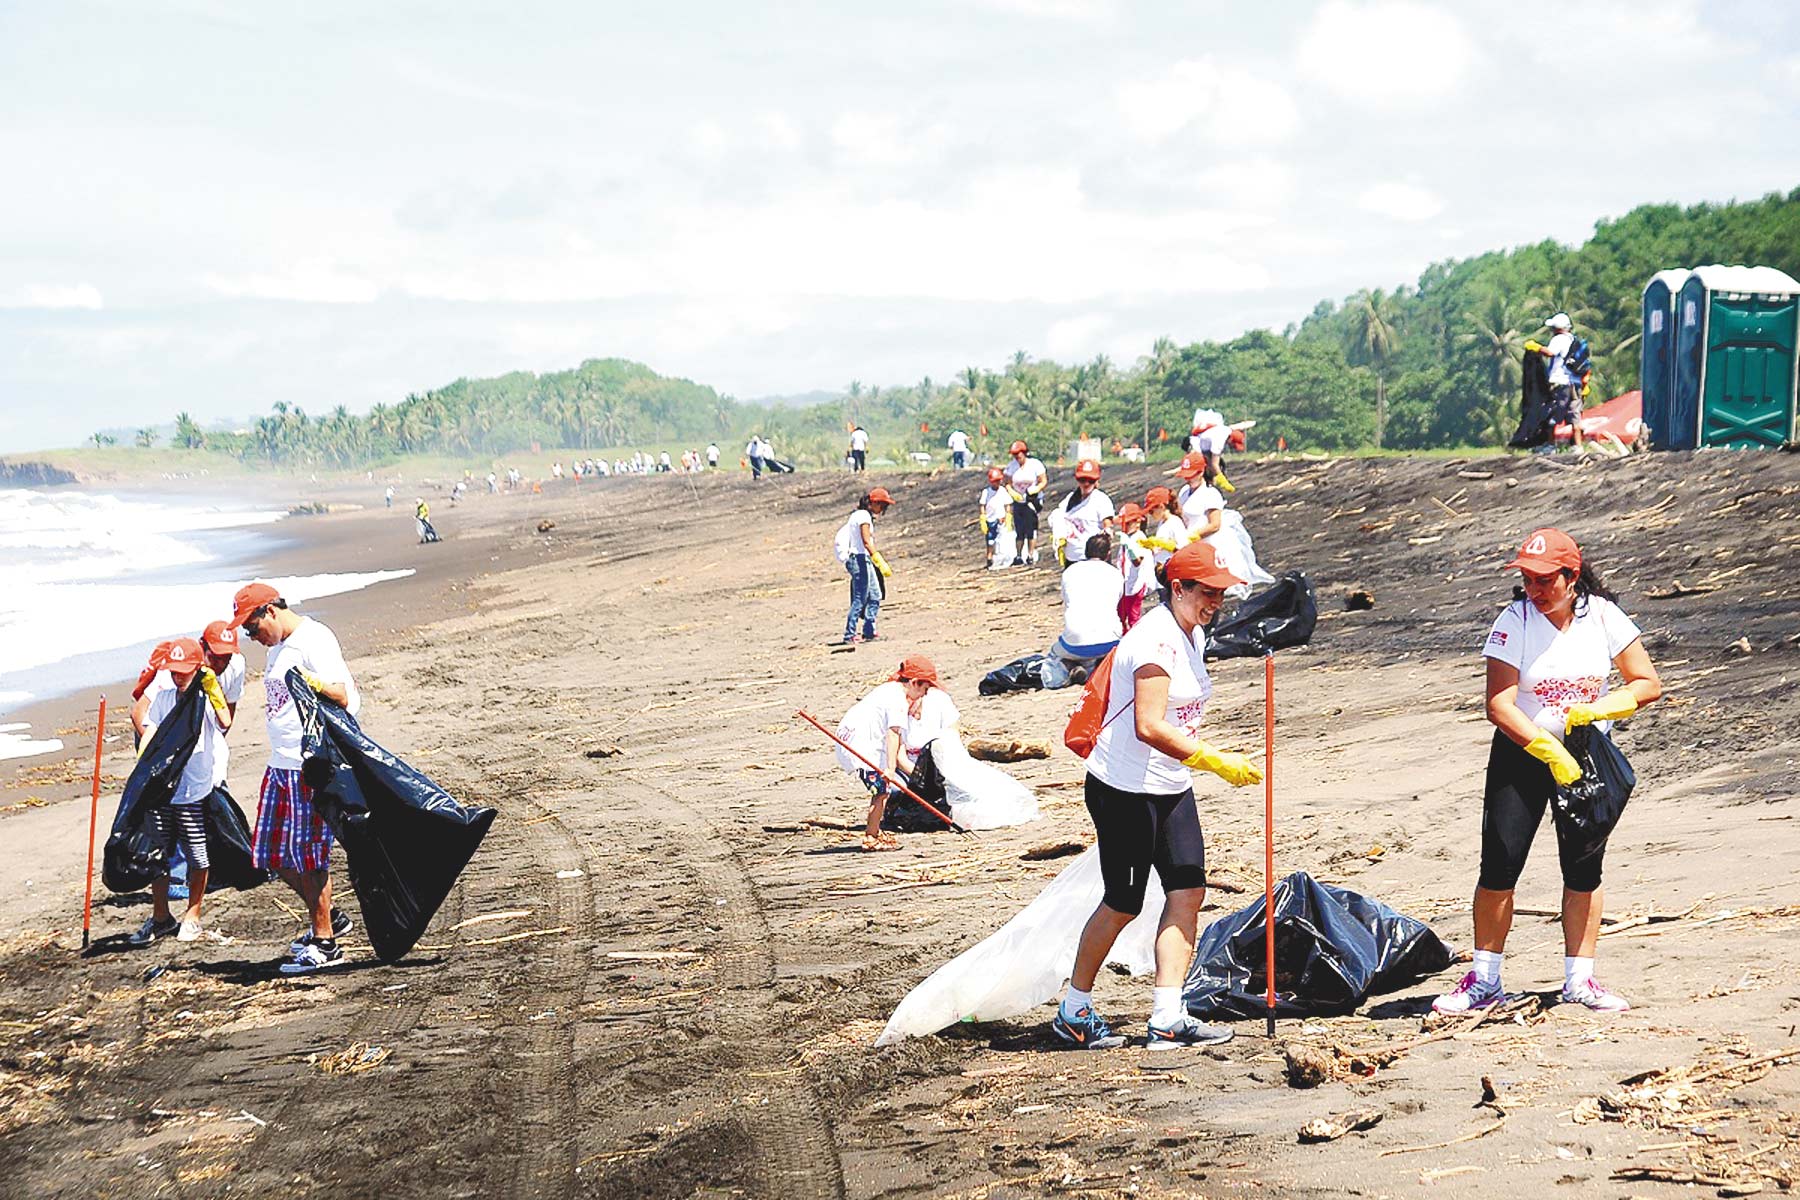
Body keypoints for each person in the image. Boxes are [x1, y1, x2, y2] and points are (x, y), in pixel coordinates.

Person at [1433, 528, 1662, 1015]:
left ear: (1571, 576)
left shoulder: (1603, 616)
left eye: (1544, 580)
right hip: (1523, 752)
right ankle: (1484, 979)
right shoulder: (1514, 620)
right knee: (1500, 863)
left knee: (1584, 868)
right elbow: (1499, 704)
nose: (1533, 590)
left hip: (1587, 754)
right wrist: (1547, 750)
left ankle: (1580, 980)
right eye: (1527, 579)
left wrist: (1603, 708)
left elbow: (1646, 682)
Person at [1054, 542, 1263, 1051]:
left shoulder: (1193, 632)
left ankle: (1168, 1016)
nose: (1216, 602)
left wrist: (1198, 762)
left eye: (1221, 593)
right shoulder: (1155, 640)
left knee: (1188, 890)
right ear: (1178, 588)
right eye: (1207, 592)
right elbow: (1148, 725)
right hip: (1124, 788)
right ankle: (1074, 1010)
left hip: (1170, 784)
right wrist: (1213, 759)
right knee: (1122, 903)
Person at [228, 582, 361, 974]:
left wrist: (313, 682)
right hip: (280, 764)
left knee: (308, 854)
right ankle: (329, 917)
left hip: (308, 764)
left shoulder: (313, 638)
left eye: (252, 628)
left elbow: (344, 696)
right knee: (267, 853)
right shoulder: (277, 648)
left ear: (270, 611)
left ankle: (325, 943)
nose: (252, 637)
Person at [126, 638, 232, 946]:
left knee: (197, 854)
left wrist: (213, 691)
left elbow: (225, 721)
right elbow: (150, 730)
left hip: (193, 789)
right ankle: (161, 916)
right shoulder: (163, 698)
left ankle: (193, 914)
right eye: (173, 671)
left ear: (197, 668)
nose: (177, 676)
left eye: (184, 671)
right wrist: (144, 767)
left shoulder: (204, 698)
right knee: (159, 854)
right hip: (164, 789)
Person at [835, 656, 937, 850]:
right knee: (882, 792)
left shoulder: (888, 689)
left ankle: (875, 830)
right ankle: (871, 837)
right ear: (914, 683)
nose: (924, 694)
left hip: (849, 739)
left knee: (882, 791)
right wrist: (890, 768)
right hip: (861, 747)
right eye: (925, 688)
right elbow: (893, 734)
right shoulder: (898, 701)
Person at [834, 488, 895, 645]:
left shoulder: (862, 515)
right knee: (860, 598)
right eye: (882, 506)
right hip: (859, 558)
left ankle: (869, 630)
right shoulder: (863, 516)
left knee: (875, 594)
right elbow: (866, 541)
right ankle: (849, 634)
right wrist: (879, 560)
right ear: (873, 503)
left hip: (864, 558)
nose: (883, 510)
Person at [1051, 534, 1124, 666]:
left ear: (1085, 551)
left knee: (1055, 653)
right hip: (1110, 640)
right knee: (1107, 653)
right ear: (1108, 554)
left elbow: (1067, 600)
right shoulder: (1115, 573)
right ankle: (1101, 666)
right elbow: (1117, 601)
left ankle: (1072, 666)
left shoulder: (1070, 571)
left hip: (1074, 642)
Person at [1525, 314, 1587, 452]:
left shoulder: (1558, 339)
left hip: (1559, 382)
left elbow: (1550, 352)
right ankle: (1578, 446)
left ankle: (1550, 445)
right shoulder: (1574, 340)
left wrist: (1536, 347)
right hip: (1575, 383)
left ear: (1557, 328)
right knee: (1575, 415)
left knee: (1550, 413)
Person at [1052, 459, 1116, 565]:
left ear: (1096, 481)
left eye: (1090, 480)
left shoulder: (1101, 499)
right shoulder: (1070, 499)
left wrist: (1107, 531)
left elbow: (1107, 524)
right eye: (1082, 480)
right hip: (1072, 557)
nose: (1086, 484)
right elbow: (1057, 516)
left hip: (1094, 558)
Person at [1005, 440, 1048, 566]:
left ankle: (1030, 554)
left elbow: (1043, 481)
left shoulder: (1035, 465)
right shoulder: (1011, 467)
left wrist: (1036, 489)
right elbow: (1007, 483)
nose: (1017, 457)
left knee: (1031, 528)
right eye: (1014, 455)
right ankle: (1018, 555)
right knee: (1019, 529)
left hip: (1032, 500)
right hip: (1018, 500)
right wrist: (1012, 492)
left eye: (1018, 454)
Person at [1114, 504, 1154, 631]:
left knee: (1133, 618)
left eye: (1127, 523)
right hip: (1125, 584)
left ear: (1137, 522)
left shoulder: (1139, 538)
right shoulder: (1128, 537)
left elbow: (1137, 561)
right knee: (1120, 616)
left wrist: (1130, 547)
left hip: (1135, 584)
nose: (1124, 526)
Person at [979, 466, 1010, 568]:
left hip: (1000, 518)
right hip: (990, 519)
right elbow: (982, 505)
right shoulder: (986, 492)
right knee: (990, 540)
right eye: (994, 481)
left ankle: (1000, 557)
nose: (996, 483)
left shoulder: (1003, 491)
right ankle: (989, 557)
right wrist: (983, 517)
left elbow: (1007, 504)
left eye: (998, 481)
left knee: (1000, 539)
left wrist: (1008, 515)